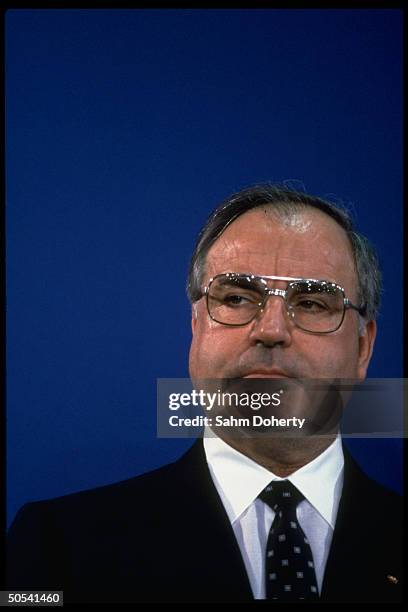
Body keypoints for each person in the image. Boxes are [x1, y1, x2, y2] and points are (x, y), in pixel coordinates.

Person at [7, 184, 402, 602]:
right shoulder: (55, 548)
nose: (270, 330)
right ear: (197, 329)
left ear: (363, 347)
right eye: (236, 297)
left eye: (312, 304)